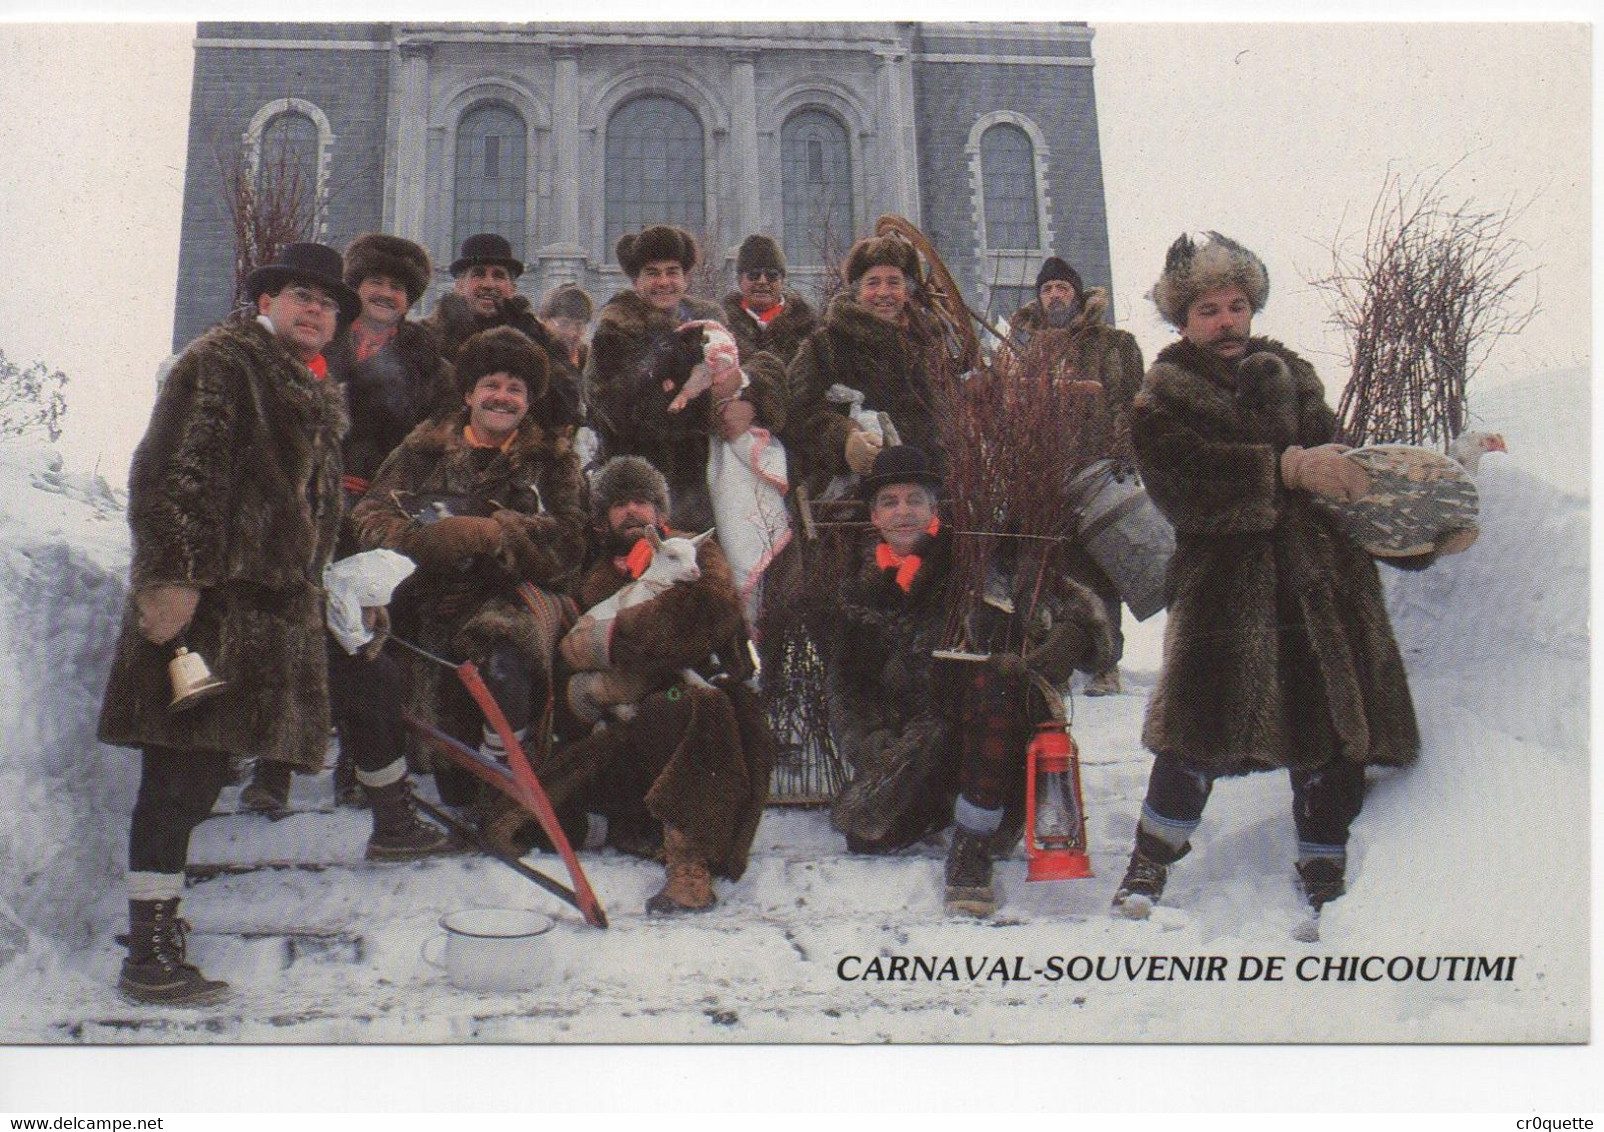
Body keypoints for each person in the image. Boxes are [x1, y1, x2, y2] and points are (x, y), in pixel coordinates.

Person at [95, 242, 447, 1005]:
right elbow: (169, 473)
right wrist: (172, 577)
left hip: (276, 611)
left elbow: (311, 511)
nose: (316, 310)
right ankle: (148, 952)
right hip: (208, 608)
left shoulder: (314, 388)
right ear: (267, 303)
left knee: (209, 770)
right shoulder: (222, 364)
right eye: (301, 296)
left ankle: (162, 929)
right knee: (180, 772)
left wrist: (342, 583)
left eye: (328, 303)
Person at [1114, 231, 1446, 924]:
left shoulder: (1295, 376)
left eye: (1237, 304)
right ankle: (1149, 863)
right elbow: (1183, 486)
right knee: (1194, 739)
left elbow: (1342, 471)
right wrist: (1284, 469)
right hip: (1225, 590)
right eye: (1208, 309)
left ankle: (1323, 862)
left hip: (1320, 579)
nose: (1226, 320)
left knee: (1327, 732)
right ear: (1183, 321)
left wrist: (1422, 529)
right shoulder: (1161, 398)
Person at [826, 446, 1110, 916]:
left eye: (915, 500)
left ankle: (973, 847)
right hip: (915, 753)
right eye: (890, 502)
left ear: (935, 509)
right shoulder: (857, 585)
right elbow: (846, 689)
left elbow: (1077, 608)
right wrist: (876, 749)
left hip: (993, 738)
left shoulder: (978, 558)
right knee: (872, 836)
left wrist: (1068, 638)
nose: (903, 512)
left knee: (989, 682)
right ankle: (943, 812)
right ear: (873, 516)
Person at [239, 232, 455, 813]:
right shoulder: (318, 346)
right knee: (298, 627)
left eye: (398, 287)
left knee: (372, 636)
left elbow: (436, 436)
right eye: (375, 282)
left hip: (381, 512)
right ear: (355, 289)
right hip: (309, 507)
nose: (385, 294)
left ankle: (364, 769)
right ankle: (276, 764)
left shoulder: (428, 362)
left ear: (410, 299)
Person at [349, 326, 588, 812]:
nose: (502, 398)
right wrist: (425, 541)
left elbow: (573, 543)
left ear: (530, 400)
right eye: (492, 386)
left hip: (517, 598)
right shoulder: (419, 453)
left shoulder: (553, 462)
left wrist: (500, 534)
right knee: (452, 773)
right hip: (432, 602)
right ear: (468, 393)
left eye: (515, 389)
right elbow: (368, 518)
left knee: (506, 656)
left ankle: (509, 769)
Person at [534, 456, 775, 914]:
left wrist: (610, 640)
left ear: (660, 512)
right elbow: (566, 652)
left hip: (688, 702)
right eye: (619, 503)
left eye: (642, 501)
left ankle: (690, 865)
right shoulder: (583, 572)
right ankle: (630, 825)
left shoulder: (694, 551)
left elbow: (703, 616)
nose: (632, 512)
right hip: (618, 727)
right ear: (602, 517)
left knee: (687, 703)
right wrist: (593, 676)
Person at [1005, 255, 1146, 697]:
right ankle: (1055, 660)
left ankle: (1105, 663)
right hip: (1039, 474)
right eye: (1047, 290)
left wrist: (1124, 449)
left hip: (1096, 469)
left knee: (1101, 567)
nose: (1055, 296)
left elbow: (1132, 400)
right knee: (1045, 566)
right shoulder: (1022, 347)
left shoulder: (1111, 344)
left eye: (1063, 288)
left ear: (1078, 294)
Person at [584, 225, 786, 531]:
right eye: (652, 273)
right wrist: (708, 405)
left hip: (703, 482)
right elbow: (619, 412)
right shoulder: (615, 332)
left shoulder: (708, 322)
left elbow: (758, 364)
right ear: (636, 281)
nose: (663, 282)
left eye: (672, 272)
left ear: (686, 277)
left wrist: (749, 397)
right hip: (638, 489)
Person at [784, 235, 949, 496]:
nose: (884, 293)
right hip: (850, 500)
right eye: (873, 283)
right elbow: (797, 415)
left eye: (894, 283)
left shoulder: (930, 347)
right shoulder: (825, 346)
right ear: (857, 291)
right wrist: (844, 438)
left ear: (907, 292)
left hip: (929, 493)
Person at [420, 233, 582, 429]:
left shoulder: (542, 340)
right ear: (460, 285)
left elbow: (567, 407)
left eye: (498, 275)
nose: (489, 284)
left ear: (512, 288)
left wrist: (533, 343)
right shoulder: (429, 339)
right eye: (479, 274)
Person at [719, 234, 818, 368]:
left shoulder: (811, 329)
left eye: (772, 275)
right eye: (753, 275)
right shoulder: (719, 329)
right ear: (739, 280)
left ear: (782, 281)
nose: (762, 281)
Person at [538, 284, 594, 376]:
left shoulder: (591, 364)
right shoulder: (530, 361)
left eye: (578, 325)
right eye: (564, 324)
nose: (571, 333)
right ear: (544, 321)